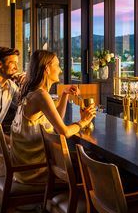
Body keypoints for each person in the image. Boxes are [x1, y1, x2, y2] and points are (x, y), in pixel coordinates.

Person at [10, 49, 96, 185]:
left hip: (24, 168)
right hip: (35, 172)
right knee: (93, 167)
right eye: (57, 65)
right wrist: (84, 121)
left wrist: (64, 95)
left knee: (84, 160)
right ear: (47, 69)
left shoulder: (33, 92)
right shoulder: (41, 95)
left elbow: (56, 123)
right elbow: (64, 132)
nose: (60, 70)